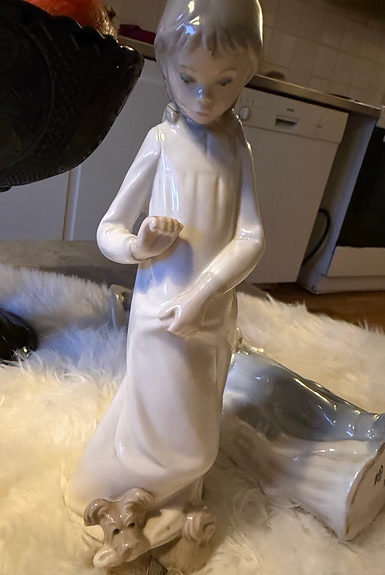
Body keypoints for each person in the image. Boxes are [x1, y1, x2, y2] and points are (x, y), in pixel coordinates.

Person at [66, 0, 265, 562]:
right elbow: (109, 228)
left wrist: (204, 293)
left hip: (212, 313)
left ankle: (167, 505)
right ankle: (125, 502)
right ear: (167, 66)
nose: (205, 97)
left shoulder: (237, 147)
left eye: (225, 82)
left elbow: (252, 236)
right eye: (188, 79)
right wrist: (139, 246)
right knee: (166, 423)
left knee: (199, 415)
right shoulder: (161, 140)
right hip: (159, 311)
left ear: (247, 75)